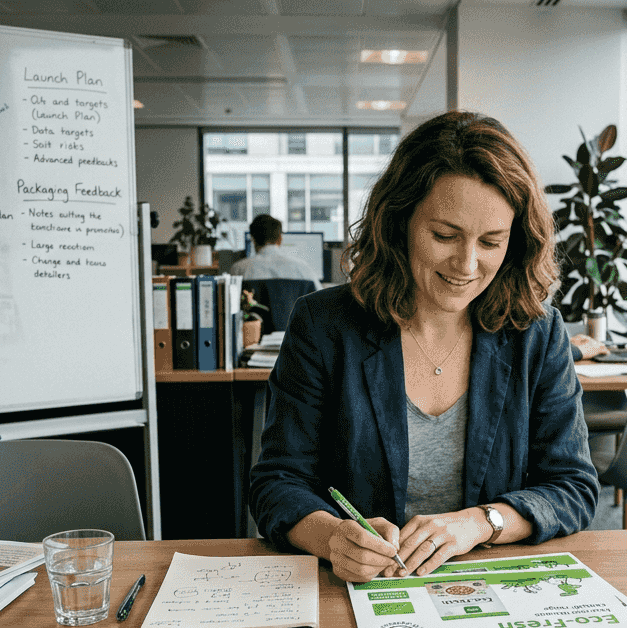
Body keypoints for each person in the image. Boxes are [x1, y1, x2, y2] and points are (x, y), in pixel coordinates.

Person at [249, 110, 599, 583]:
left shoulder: (537, 333)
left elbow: (573, 486)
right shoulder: (323, 325)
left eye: (491, 242)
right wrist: (332, 537)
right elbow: (277, 482)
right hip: (360, 591)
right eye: (444, 235)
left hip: (484, 588)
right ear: (400, 223)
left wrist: (480, 523)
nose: (467, 264)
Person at [228, 214, 324, 287]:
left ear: (253, 239)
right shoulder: (302, 268)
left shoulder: (238, 269)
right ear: (280, 239)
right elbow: (319, 297)